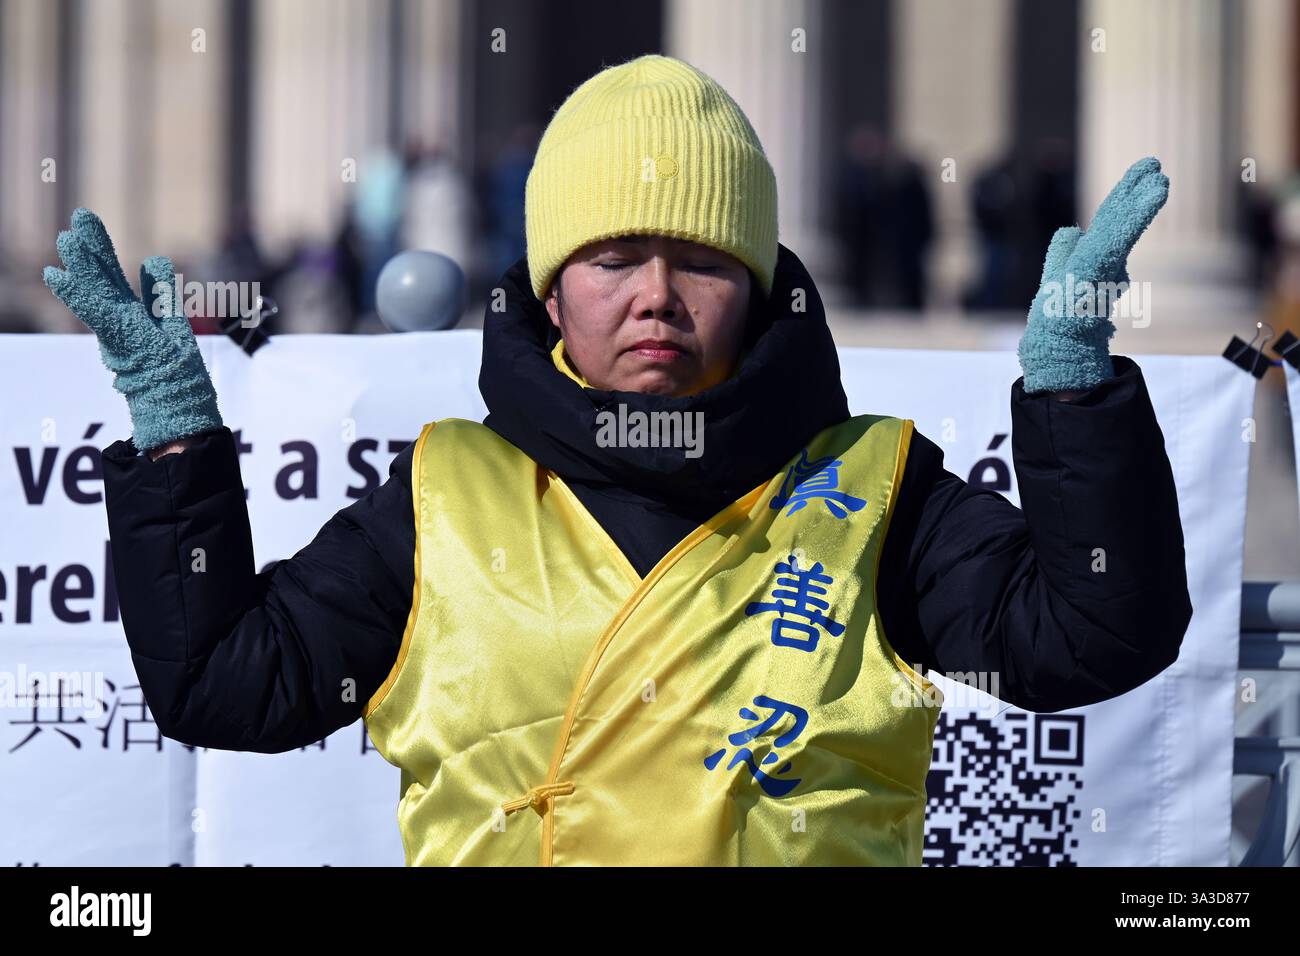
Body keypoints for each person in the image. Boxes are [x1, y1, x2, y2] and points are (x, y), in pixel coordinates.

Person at [43, 54, 1190, 867]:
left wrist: (1070, 384)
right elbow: (224, 682)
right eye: (613, 257)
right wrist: (176, 431)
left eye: (698, 256)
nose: (655, 295)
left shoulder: (872, 493)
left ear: (755, 282)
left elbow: (1096, 633)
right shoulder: (445, 500)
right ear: (550, 290)